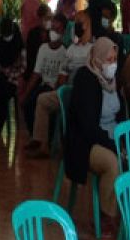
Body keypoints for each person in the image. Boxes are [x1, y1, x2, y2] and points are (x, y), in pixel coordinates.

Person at [65, 36, 121, 237]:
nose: (112, 64)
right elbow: (87, 126)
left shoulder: (112, 82)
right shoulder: (86, 79)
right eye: (108, 59)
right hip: (86, 143)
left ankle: (127, 214)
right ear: (97, 59)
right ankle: (105, 217)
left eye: (114, 59)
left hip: (110, 136)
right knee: (112, 163)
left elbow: (119, 114)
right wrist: (112, 144)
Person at [26, 12, 92, 156]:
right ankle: (42, 144)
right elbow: (62, 76)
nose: (78, 27)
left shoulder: (93, 49)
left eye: (81, 24)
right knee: (42, 99)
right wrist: (59, 90)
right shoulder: (71, 50)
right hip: (68, 91)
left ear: (88, 27)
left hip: (87, 95)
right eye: (76, 24)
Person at [20, 13, 67, 137]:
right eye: (52, 29)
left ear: (63, 32)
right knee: (28, 104)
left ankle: (45, 139)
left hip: (54, 88)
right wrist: (25, 93)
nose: (54, 32)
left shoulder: (65, 52)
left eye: (57, 30)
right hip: (43, 85)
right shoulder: (43, 48)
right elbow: (36, 73)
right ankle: (35, 137)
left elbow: (62, 80)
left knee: (43, 105)